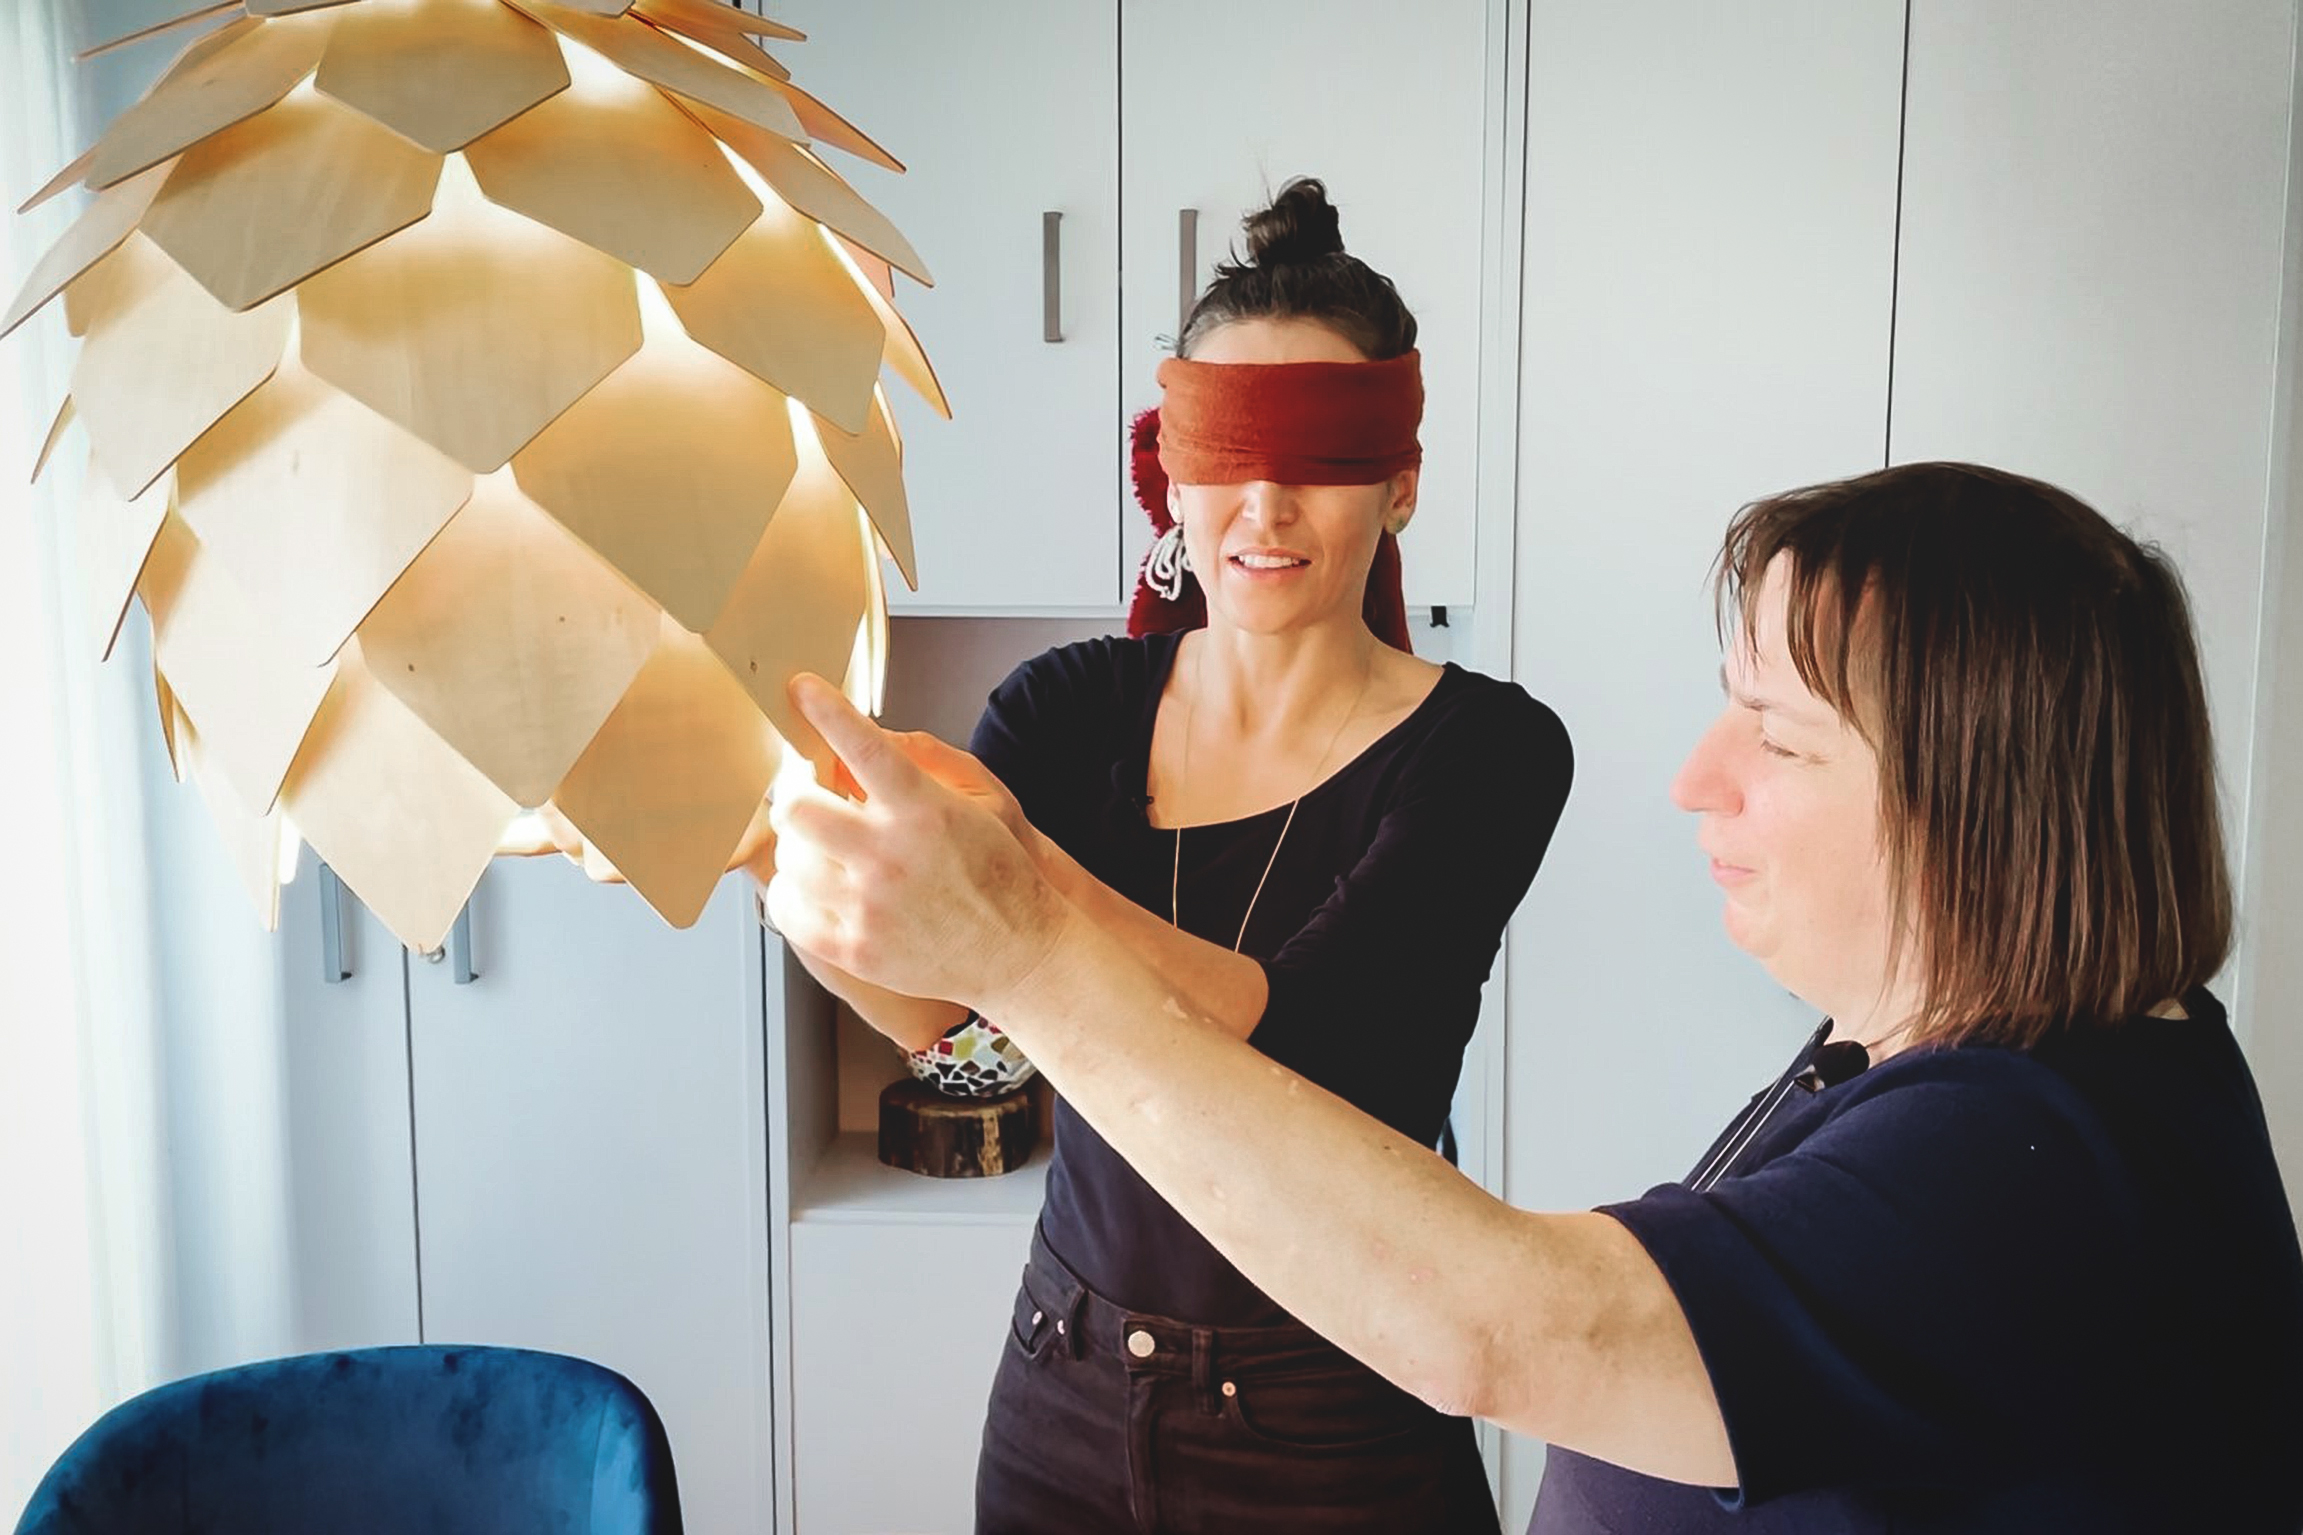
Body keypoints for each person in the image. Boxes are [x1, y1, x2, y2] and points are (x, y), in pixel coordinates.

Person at [764, 461, 2303, 1533]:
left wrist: (1030, 945)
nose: (1697, 778)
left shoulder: (2041, 1169)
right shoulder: (1921, 1057)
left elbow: (1503, 1326)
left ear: (1988, 811)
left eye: (1777, 738)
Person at [774, 177, 1572, 1532]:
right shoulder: (1063, 710)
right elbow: (951, 1032)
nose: (1265, 507)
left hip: (1343, 1418)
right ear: (1174, 476)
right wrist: (769, 845)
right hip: (1065, 1395)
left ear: (1400, 485)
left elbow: (1316, 1049)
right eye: (1228, 456)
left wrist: (1009, 886)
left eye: (1318, 458)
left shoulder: (1490, 752)